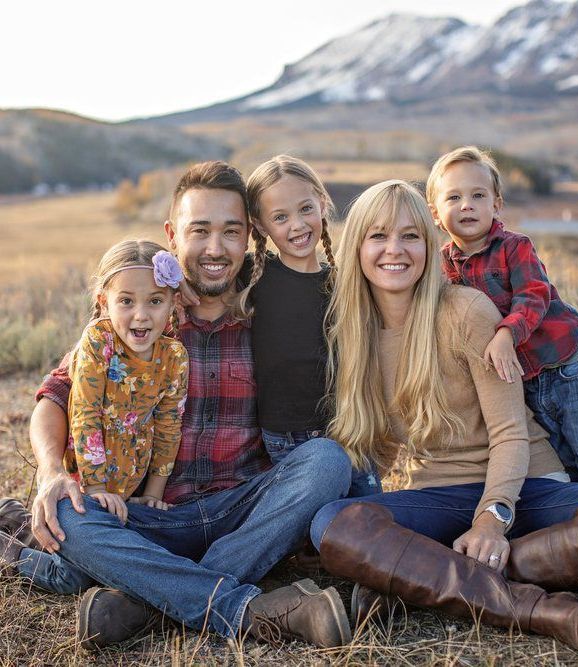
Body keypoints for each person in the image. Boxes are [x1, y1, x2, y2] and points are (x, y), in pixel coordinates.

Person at [0, 162, 353, 650]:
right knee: (73, 516)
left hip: (243, 514)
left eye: (231, 232)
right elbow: (55, 396)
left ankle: (146, 599)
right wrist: (48, 472)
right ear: (172, 235)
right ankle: (242, 607)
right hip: (149, 516)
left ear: (250, 235)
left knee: (327, 461)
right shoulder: (143, 315)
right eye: (199, 231)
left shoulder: (271, 307)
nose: (215, 249)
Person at [308, 180, 578, 655]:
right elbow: (380, 446)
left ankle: (418, 582)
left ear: (429, 245)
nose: (395, 250)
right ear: (356, 246)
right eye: (378, 236)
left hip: (522, 487)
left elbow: (511, 433)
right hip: (439, 496)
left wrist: (492, 521)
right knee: (332, 523)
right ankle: (531, 607)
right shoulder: (353, 332)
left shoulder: (466, 310)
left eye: (411, 236)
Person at [425, 146, 578, 501]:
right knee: (566, 460)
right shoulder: (443, 267)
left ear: (496, 205)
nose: (467, 204)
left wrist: (506, 333)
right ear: (435, 214)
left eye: (478, 195)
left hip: (569, 365)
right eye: (454, 197)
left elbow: (533, 295)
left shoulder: (515, 247)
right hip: (526, 382)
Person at [2, 240, 189, 591]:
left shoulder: (174, 357)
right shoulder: (98, 342)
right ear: (104, 302)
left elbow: (169, 426)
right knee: (72, 577)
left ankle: (17, 519)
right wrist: (99, 489)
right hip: (83, 487)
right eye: (126, 301)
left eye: (155, 301)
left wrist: (153, 493)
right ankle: (8, 550)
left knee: (119, 560)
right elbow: (84, 414)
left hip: (130, 494)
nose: (141, 315)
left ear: (172, 303)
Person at [241, 155, 380, 495]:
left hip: (346, 433)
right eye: (280, 217)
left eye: (305, 209)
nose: (297, 225)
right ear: (261, 226)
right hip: (285, 441)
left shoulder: (344, 283)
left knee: (371, 521)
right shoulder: (250, 277)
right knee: (316, 528)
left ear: (322, 202)